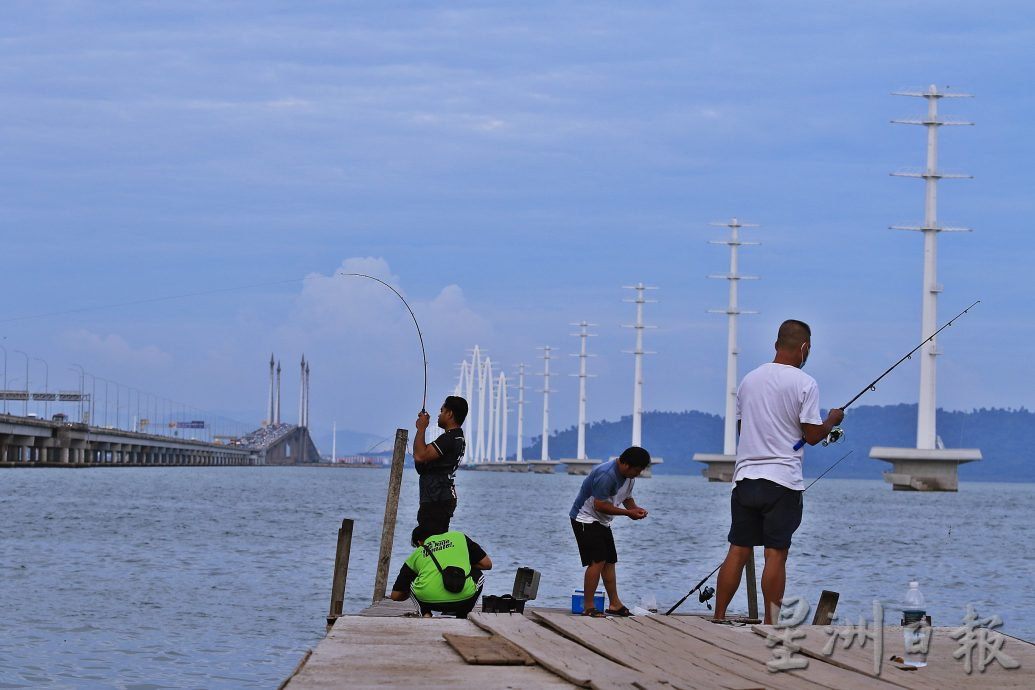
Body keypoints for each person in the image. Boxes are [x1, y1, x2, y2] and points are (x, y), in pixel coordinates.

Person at [713, 319, 844, 624]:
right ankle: (771, 623)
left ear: (775, 344)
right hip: (782, 481)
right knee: (775, 553)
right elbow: (812, 436)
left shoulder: (748, 381)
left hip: (745, 479)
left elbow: (742, 428)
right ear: (804, 347)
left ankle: (719, 616)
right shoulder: (805, 383)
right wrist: (832, 420)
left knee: (738, 549)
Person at [568, 446, 651, 617]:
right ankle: (588, 606)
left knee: (610, 561)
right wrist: (628, 514)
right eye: (637, 470)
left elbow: (626, 497)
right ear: (626, 464)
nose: (638, 474)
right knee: (597, 561)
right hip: (585, 518)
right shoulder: (607, 475)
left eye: (640, 470)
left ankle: (615, 604)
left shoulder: (629, 477)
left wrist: (635, 509)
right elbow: (599, 505)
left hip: (602, 521)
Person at [390, 524, 492, 618]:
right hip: (463, 599)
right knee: (478, 575)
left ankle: (425, 613)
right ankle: (463, 614)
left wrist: (411, 590)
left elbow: (395, 595)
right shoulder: (459, 537)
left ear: (419, 542)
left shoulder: (416, 554)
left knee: (411, 581)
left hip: (430, 602)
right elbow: (487, 564)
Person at [413, 396, 468, 534]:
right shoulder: (458, 437)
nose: (439, 415)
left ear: (449, 414)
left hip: (436, 499)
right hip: (442, 497)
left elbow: (420, 455)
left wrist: (421, 428)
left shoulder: (449, 438)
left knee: (429, 542)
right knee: (436, 542)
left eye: (442, 411)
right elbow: (422, 463)